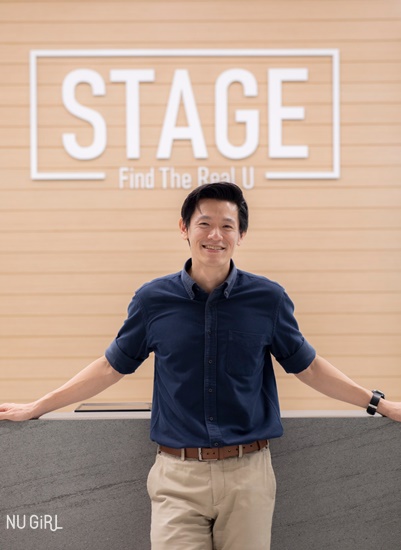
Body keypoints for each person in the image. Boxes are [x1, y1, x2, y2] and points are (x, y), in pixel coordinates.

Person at [1, 181, 400, 550]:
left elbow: (308, 367)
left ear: (240, 235)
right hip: (176, 476)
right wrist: (38, 407)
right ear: (184, 228)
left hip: (248, 475)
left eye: (227, 226)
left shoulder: (268, 299)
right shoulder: (152, 300)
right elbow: (110, 367)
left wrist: (379, 403)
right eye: (204, 223)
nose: (215, 235)